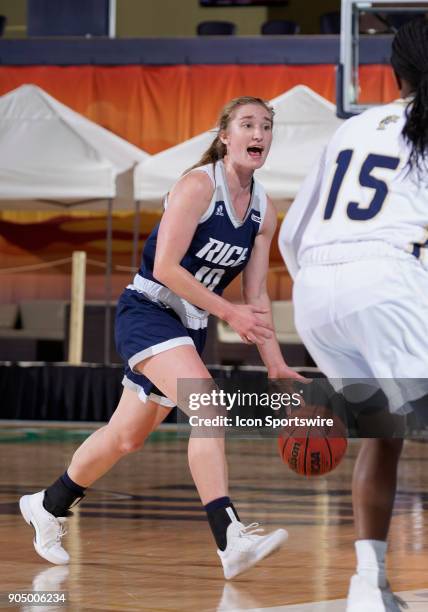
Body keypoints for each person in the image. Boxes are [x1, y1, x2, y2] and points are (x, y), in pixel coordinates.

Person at [20, 96, 302, 580]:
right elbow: (168, 269)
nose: (259, 133)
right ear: (225, 136)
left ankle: (48, 504)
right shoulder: (197, 186)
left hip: (188, 325)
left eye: (267, 126)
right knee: (208, 405)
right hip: (147, 310)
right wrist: (227, 311)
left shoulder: (262, 211)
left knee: (125, 437)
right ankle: (229, 536)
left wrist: (274, 363)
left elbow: (256, 298)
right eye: (248, 124)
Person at [279, 17, 428, 612]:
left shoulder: (351, 127)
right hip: (386, 280)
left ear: (393, 74)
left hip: (314, 289)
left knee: (386, 433)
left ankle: (368, 584)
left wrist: (326, 296)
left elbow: (292, 232)